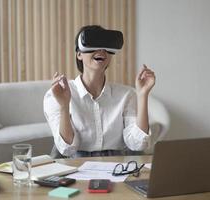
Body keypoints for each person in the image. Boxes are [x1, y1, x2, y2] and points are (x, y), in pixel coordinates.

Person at [43, 25, 155, 157]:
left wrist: (142, 95)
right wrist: (64, 105)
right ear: (79, 54)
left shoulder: (126, 95)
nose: (101, 50)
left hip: (116, 164)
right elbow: (67, 149)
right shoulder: (57, 95)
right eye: (94, 45)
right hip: (75, 164)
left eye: (106, 46)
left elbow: (136, 144)